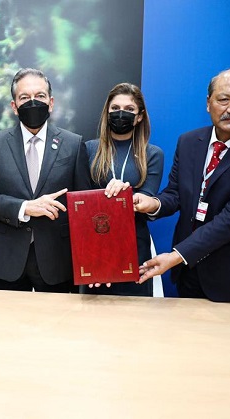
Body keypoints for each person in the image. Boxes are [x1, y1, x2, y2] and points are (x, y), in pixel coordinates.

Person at [134, 68, 230, 302]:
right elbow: (177, 194)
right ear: (209, 103)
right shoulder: (189, 141)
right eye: (224, 99)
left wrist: (177, 256)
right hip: (190, 271)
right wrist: (153, 203)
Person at [0, 68, 91, 293]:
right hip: (8, 259)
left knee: (55, 326)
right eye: (24, 98)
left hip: (57, 260)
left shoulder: (73, 144)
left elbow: (82, 204)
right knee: (8, 325)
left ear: (51, 102)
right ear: (14, 107)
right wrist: (26, 207)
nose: (33, 102)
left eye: (39, 96)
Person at [82, 83, 164, 297]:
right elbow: (80, 201)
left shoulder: (152, 154)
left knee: (134, 318)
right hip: (94, 244)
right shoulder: (88, 149)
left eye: (129, 110)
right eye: (115, 108)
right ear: (107, 113)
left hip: (134, 246)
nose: (121, 114)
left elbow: (147, 197)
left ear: (139, 117)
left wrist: (128, 196)